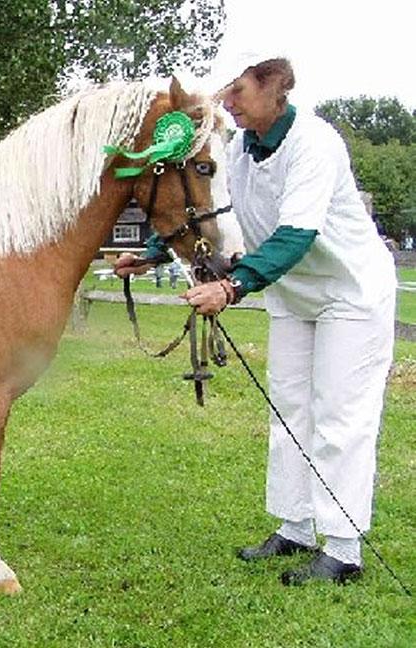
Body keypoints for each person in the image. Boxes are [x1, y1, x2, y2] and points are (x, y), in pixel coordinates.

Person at [116, 51, 397, 586]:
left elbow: (296, 234)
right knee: (288, 410)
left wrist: (232, 286)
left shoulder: (315, 142)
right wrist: (152, 253)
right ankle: (295, 526)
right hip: (293, 294)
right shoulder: (242, 148)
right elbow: (214, 210)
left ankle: (343, 549)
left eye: (238, 91)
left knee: (340, 415)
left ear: (277, 88)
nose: (228, 102)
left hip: (350, 295)